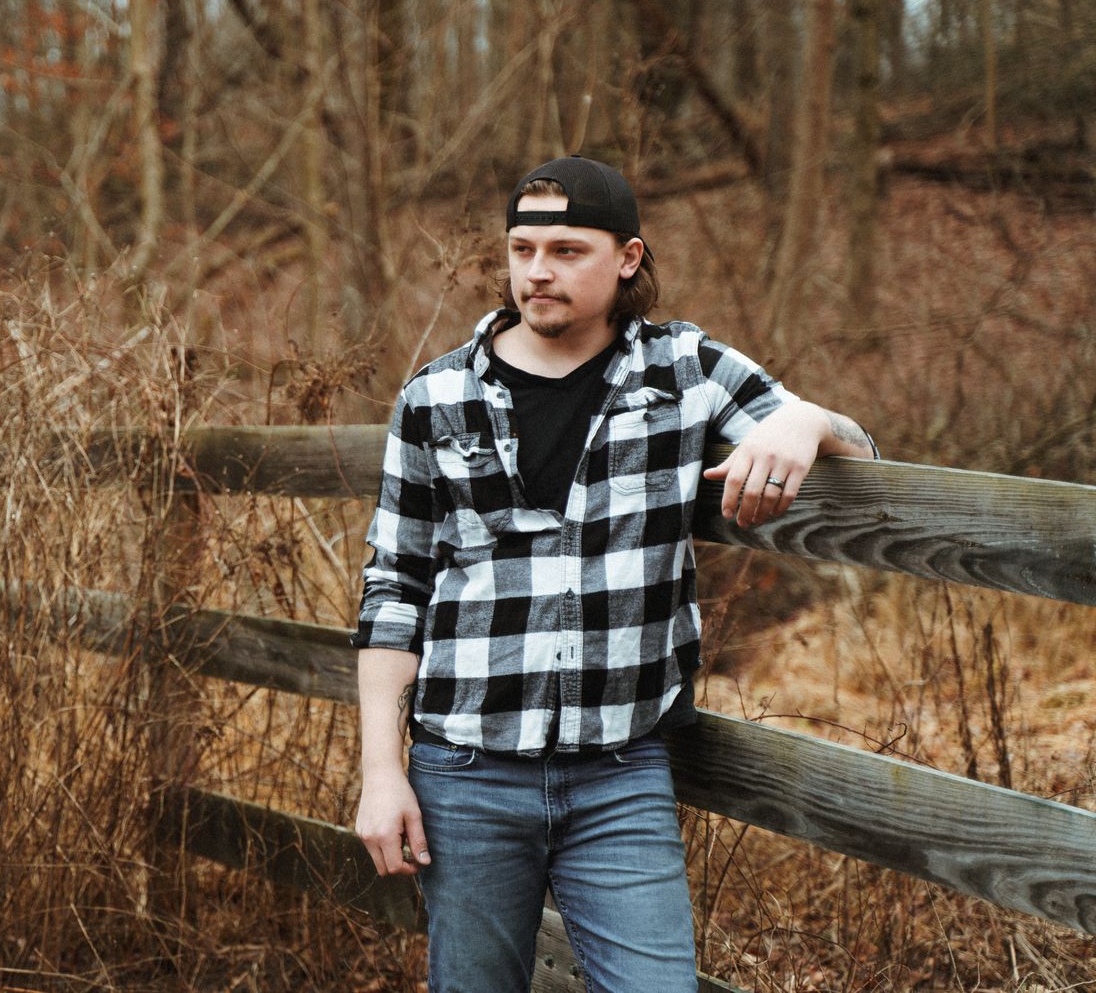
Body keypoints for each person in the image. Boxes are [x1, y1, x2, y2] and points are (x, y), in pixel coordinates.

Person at [351, 155, 877, 993]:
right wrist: (382, 772)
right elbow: (393, 588)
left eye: (567, 250)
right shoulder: (435, 396)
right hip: (466, 771)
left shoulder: (683, 371)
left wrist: (806, 421)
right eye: (523, 249)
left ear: (628, 257)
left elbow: (862, 449)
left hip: (619, 775)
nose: (538, 271)